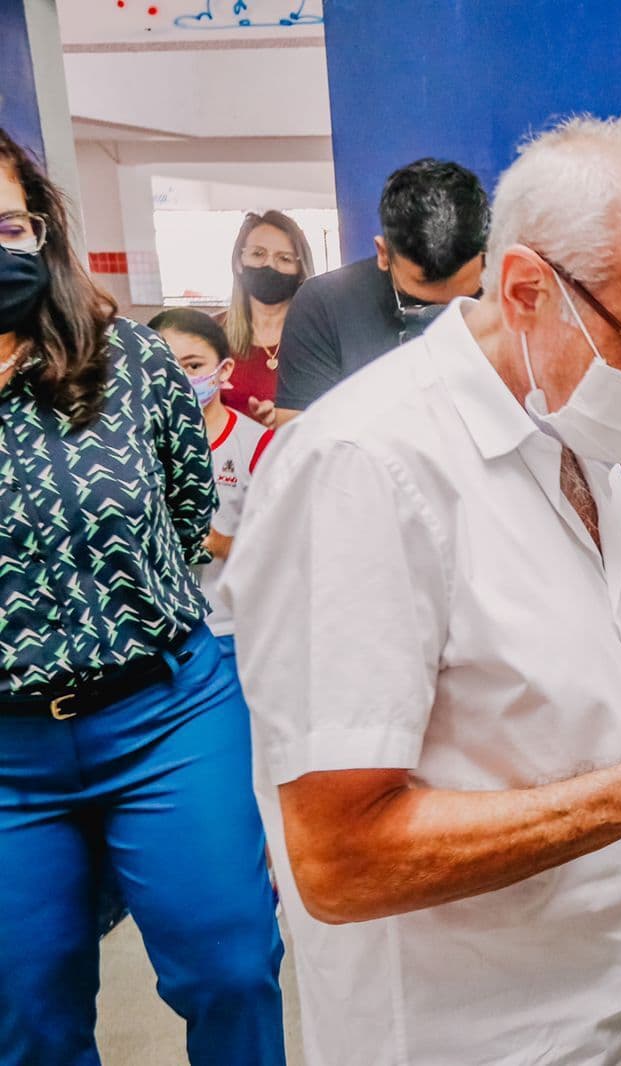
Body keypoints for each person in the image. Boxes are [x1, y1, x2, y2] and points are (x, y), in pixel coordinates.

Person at [219, 115, 621, 1066]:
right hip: (486, 1038)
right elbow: (341, 862)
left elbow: (569, 722)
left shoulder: (573, 427)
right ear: (525, 290)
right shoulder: (364, 470)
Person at [0, 128, 285, 1066]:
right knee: (29, 1015)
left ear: (40, 228)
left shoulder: (130, 361)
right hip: (7, 755)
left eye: (6, 224)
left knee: (234, 970)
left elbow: (185, 503)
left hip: (165, 710)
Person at [272, 158, 488, 421]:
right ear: (384, 253)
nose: (442, 311)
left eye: (461, 295)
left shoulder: (518, 299)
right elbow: (302, 444)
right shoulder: (323, 304)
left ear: (487, 251)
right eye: (422, 293)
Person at [151, 307, 273, 655]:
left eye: (193, 366)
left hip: (232, 631)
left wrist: (222, 544)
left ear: (224, 370)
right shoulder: (132, 448)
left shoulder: (255, 445)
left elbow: (287, 549)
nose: (178, 378)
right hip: (160, 640)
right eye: (166, 367)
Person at [219, 209, 316, 428]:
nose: (269, 265)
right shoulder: (212, 334)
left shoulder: (320, 336)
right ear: (238, 262)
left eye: (284, 258)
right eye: (257, 253)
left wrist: (288, 420)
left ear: (300, 270)